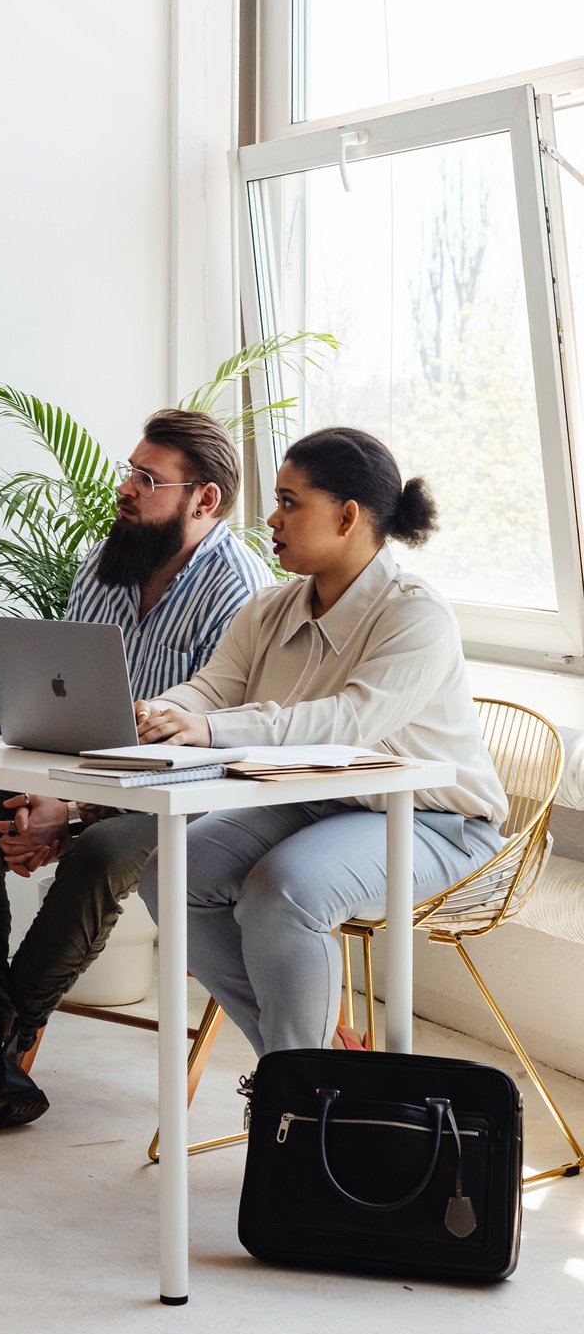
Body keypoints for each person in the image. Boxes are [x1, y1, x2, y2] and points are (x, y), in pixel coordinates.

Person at [0, 408, 274, 1139]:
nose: (125, 489)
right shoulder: (107, 563)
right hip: (85, 773)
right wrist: (50, 792)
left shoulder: (240, 589)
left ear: (205, 499)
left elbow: (211, 750)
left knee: (99, 853)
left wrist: (74, 814)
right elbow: (61, 702)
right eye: (129, 471)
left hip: (189, 798)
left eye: (147, 479)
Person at [137, 427, 506, 1058]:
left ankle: (302, 1090)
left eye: (289, 501)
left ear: (348, 515)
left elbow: (345, 725)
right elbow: (211, 690)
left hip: (432, 820)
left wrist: (210, 729)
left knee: (283, 891)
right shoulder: (268, 608)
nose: (272, 518)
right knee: (171, 873)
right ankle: (314, 1071)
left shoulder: (416, 614)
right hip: (320, 803)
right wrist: (162, 711)